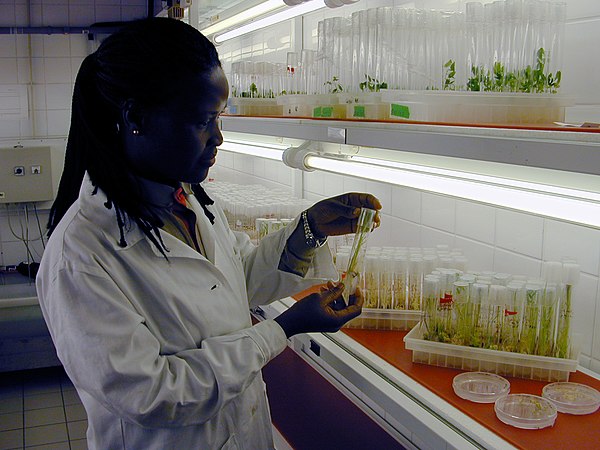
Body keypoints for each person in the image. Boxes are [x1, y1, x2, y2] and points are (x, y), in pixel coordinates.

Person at [36, 17, 381, 450]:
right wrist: (282, 329)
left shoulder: (185, 201)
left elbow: (230, 285)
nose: (218, 137)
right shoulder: (80, 254)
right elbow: (155, 394)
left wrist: (308, 232)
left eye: (219, 118)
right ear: (137, 117)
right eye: (202, 121)